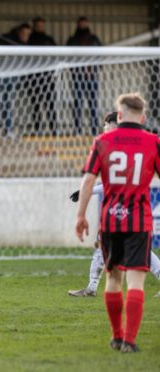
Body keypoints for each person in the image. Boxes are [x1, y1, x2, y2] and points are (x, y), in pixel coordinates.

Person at [76, 93, 158, 353]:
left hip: (110, 220)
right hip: (139, 220)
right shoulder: (153, 142)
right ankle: (129, 341)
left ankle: (116, 336)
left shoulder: (102, 141)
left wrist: (80, 215)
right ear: (143, 118)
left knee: (113, 279)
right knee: (135, 282)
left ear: (119, 116)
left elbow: (88, 181)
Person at [69, 112, 160, 297]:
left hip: (127, 205)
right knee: (105, 242)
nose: (104, 129)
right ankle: (92, 287)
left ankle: (93, 287)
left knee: (138, 248)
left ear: (114, 125)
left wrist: (87, 191)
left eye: (106, 125)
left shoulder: (122, 148)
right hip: (123, 206)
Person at [67, 17, 101, 134]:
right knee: (78, 103)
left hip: (92, 76)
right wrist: (74, 70)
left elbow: (100, 55)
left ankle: (94, 129)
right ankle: (77, 130)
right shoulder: (72, 40)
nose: (83, 25)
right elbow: (68, 57)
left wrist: (95, 68)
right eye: (81, 23)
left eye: (84, 23)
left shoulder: (94, 39)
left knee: (93, 103)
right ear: (77, 24)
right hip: (78, 76)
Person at [0, 23, 31, 135]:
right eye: (25, 34)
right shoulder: (7, 39)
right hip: (1, 74)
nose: (26, 36)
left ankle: (8, 129)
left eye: (28, 34)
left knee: (8, 102)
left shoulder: (22, 43)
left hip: (13, 75)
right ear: (19, 32)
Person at [28, 17, 57, 134]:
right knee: (35, 105)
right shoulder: (30, 39)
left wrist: (54, 72)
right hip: (34, 77)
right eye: (37, 25)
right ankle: (37, 129)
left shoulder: (49, 40)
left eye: (41, 25)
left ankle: (54, 129)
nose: (40, 27)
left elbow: (56, 56)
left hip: (48, 77)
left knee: (50, 104)